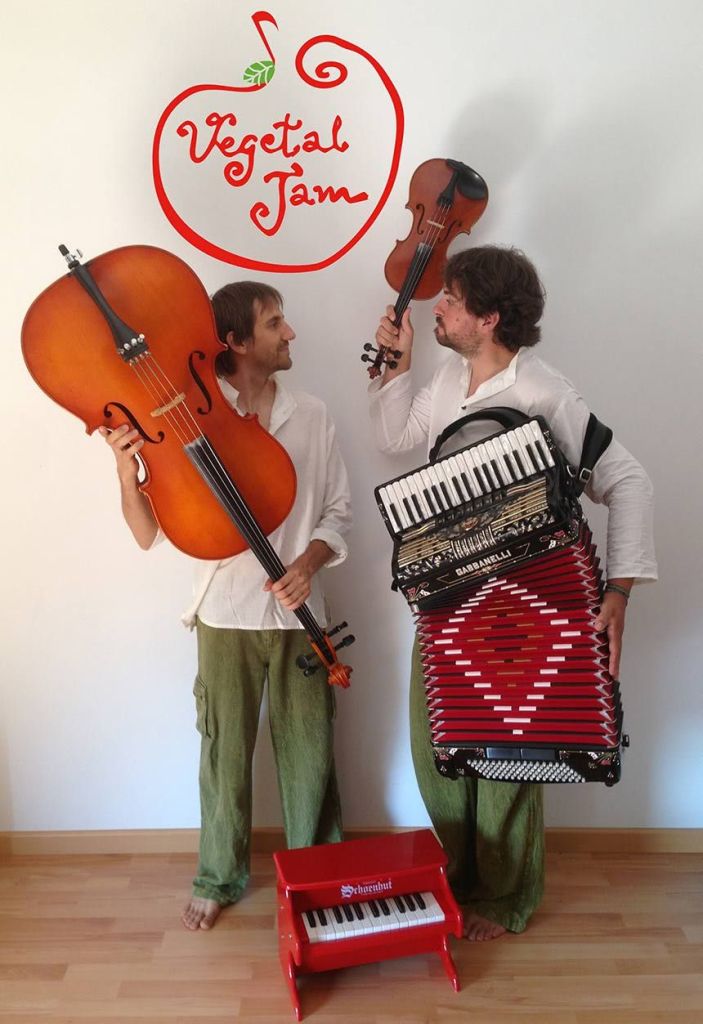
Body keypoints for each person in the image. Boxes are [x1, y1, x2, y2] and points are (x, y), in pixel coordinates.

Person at [369, 245, 656, 941]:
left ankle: (505, 896)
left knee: (511, 749)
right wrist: (395, 368)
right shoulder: (446, 377)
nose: (437, 307)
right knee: (437, 747)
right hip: (446, 602)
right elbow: (393, 435)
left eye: (452, 300)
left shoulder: (546, 392)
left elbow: (628, 481)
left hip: (524, 609)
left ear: (490, 318)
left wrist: (618, 590)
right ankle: (460, 879)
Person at [102, 281, 351, 930]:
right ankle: (218, 876)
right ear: (235, 342)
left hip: (301, 617)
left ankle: (318, 879)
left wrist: (307, 564)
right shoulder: (187, 420)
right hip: (224, 614)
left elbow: (338, 512)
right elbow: (147, 533)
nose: (289, 333)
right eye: (274, 324)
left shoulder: (313, 415)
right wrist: (127, 475)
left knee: (311, 754)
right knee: (222, 753)